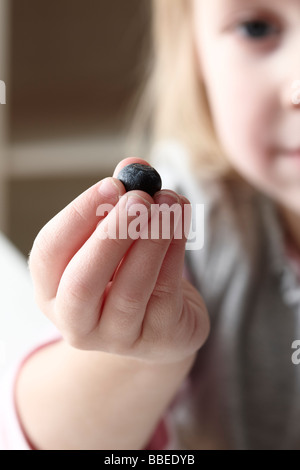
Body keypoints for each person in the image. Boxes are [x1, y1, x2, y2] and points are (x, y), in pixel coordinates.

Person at [1, 0, 300, 450]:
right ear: (195, 54)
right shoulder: (189, 219)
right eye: (257, 27)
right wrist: (135, 352)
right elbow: (55, 435)